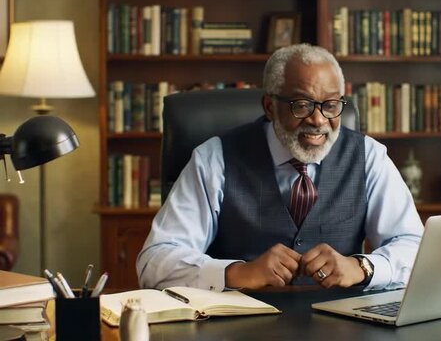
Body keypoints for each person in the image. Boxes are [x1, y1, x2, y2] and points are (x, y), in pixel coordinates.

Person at [136, 43, 424, 292]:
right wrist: (237, 273)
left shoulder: (368, 156)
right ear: (269, 106)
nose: (318, 120)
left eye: (331, 105)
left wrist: (362, 267)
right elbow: (154, 261)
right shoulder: (214, 158)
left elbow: (416, 247)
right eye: (302, 105)